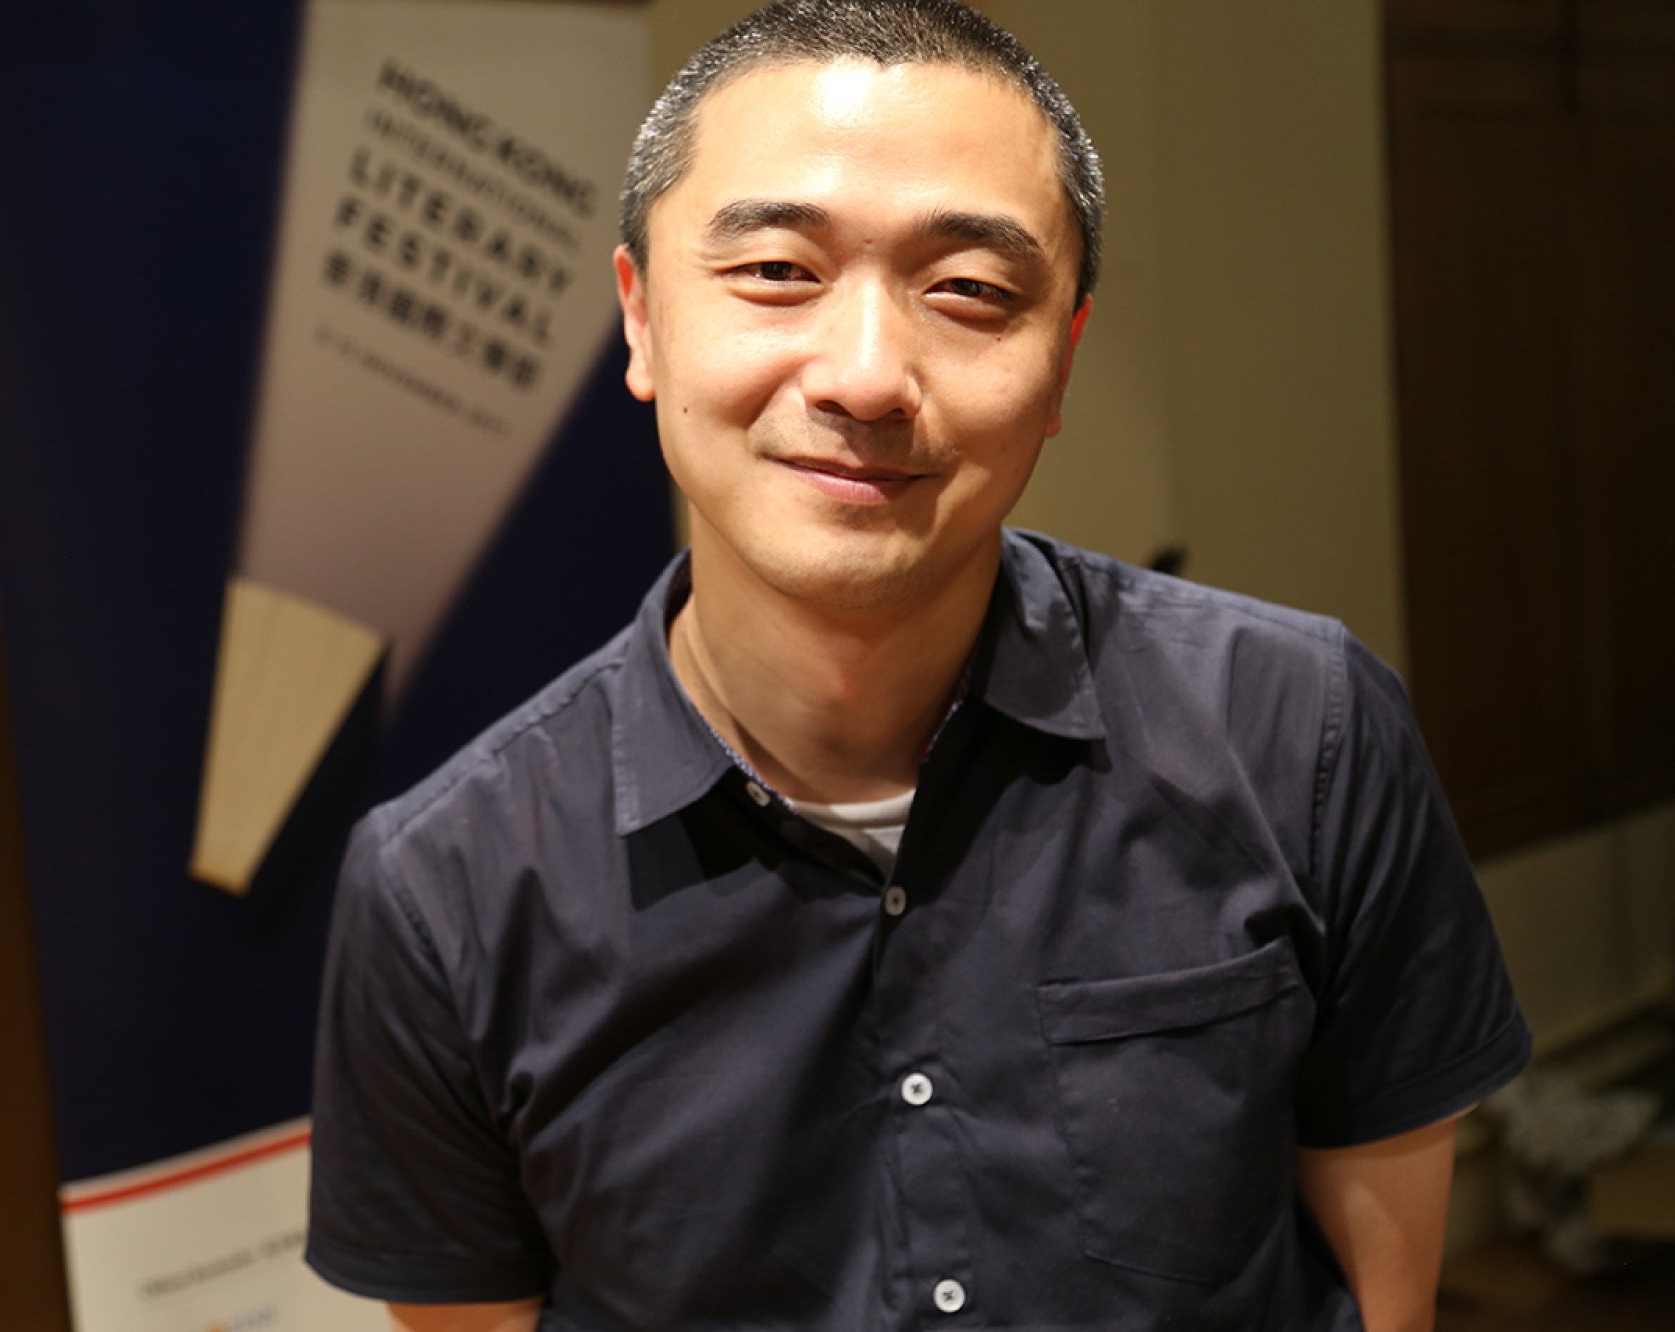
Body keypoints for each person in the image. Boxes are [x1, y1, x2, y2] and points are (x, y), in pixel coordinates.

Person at [306, 2, 1530, 1328]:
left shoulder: (1303, 731)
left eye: (970, 294)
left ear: (1061, 363)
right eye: (777, 270)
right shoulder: (446, 889)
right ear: (642, 317)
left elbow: (1384, 1295)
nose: (870, 375)